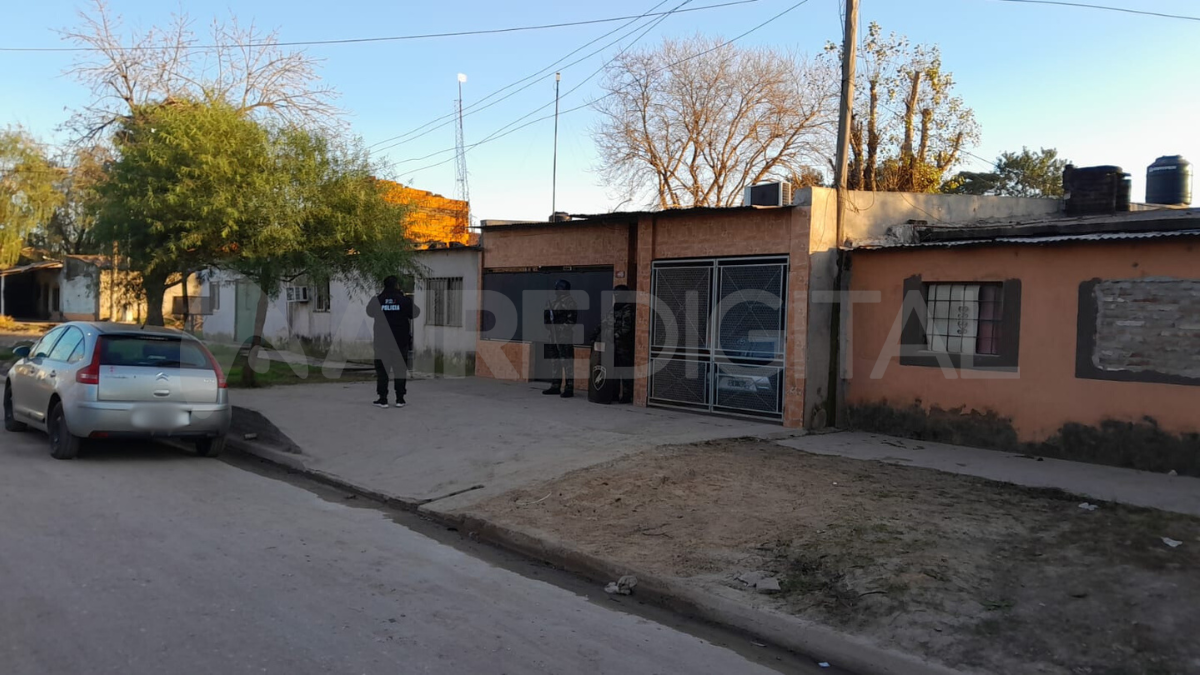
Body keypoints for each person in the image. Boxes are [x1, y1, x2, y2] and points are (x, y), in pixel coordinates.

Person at [366, 275, 420, 408]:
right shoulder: (404, 300)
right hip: (400, 342)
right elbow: (415, 313)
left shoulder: (377, 300)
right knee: (400, 370)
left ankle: (383, 399)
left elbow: (369, 312)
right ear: (397, 285)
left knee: (382, 372)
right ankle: (400, 399)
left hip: (382, 343)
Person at [590, 284, 636, 404]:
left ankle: (627, 395)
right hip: (611, 347)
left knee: (625, 371)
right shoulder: (614, 308)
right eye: (615, 294)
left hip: (623, 347)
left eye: (618, 294)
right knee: (613, 370)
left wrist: (614, 337)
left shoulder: (628, 310)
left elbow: (626, 329)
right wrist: (594, 334)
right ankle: (614, 393)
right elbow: (603, 323)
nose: (616, 296)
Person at [542, 279, 578, 398]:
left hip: (564, 337)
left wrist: (559, 328)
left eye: (558, 288)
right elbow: (546, 317)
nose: (556, 290)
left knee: (567, 362)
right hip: (553, 336)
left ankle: (569, 388)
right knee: (555, 362)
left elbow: (571, 321)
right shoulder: (553, 302)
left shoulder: (570, 302)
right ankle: (555, 386)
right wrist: (548, 323)